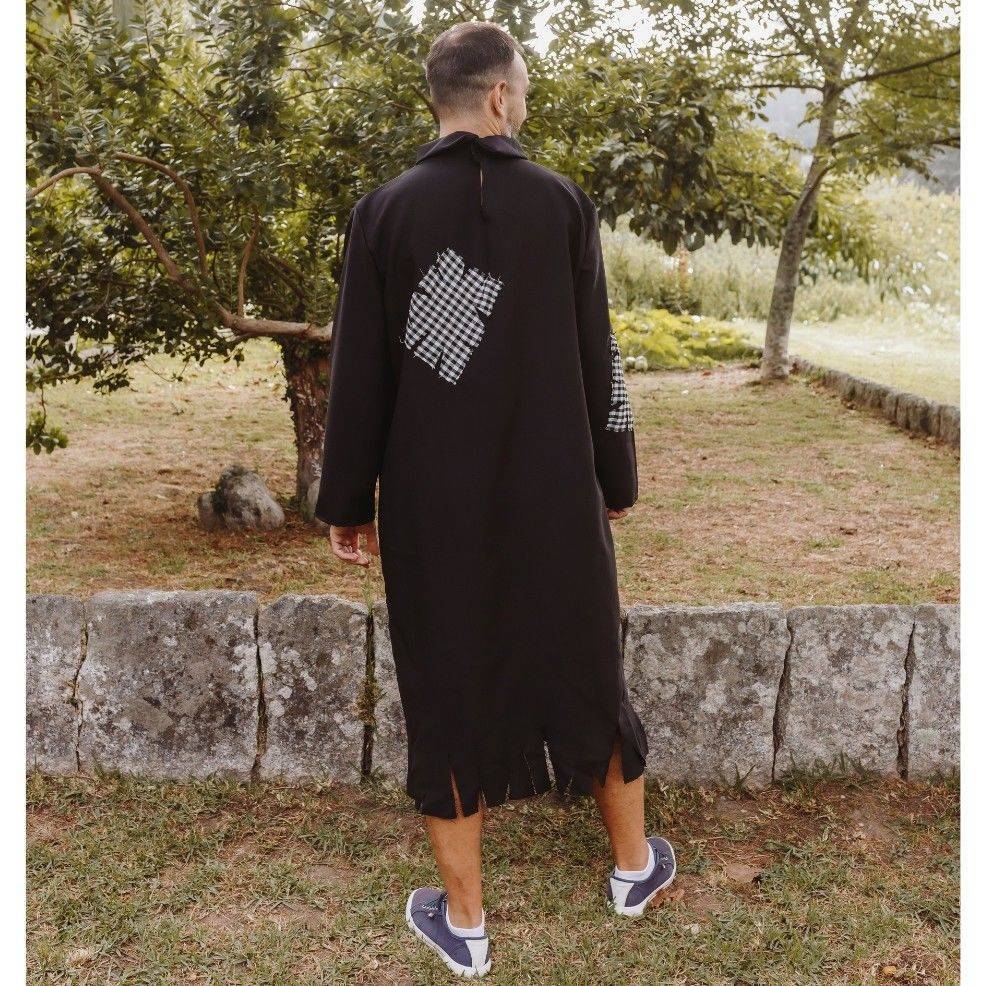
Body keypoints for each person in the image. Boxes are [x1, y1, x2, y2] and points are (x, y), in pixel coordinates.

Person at [314, 21, 675, 978]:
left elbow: (360, 375)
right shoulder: (561, 204)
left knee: (446, 677)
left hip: (433, 504)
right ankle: (632, 868)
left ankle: (466, 923)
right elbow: (599, 357)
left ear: (436, 100)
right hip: (556, 490)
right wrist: (617, 477)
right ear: (502, 97)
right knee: (585, 659)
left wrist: (348, 499)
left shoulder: (382, 212)